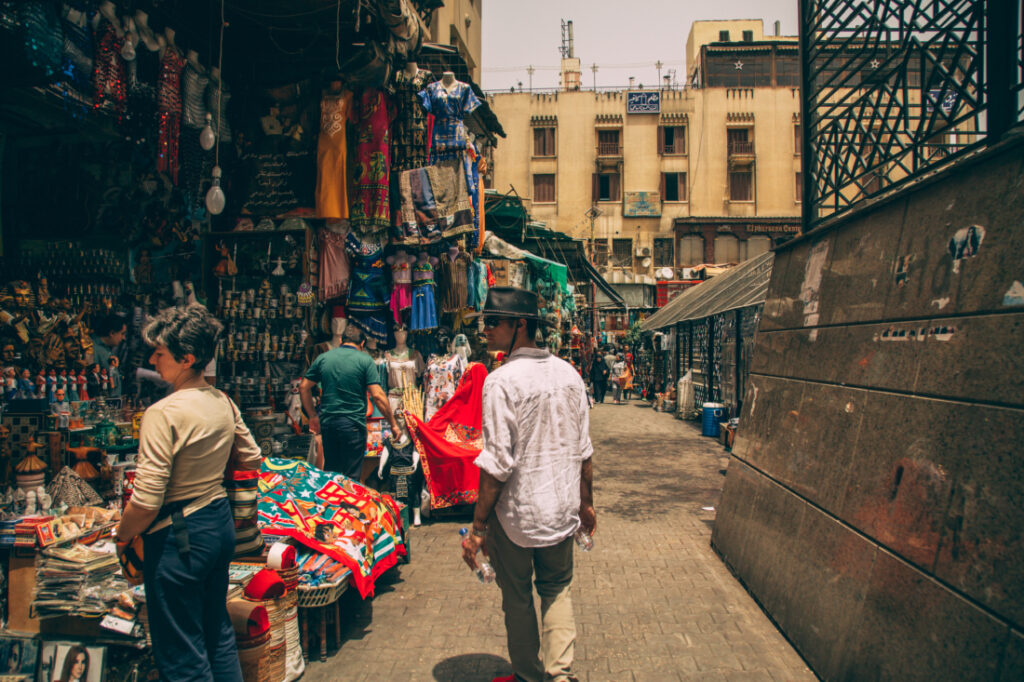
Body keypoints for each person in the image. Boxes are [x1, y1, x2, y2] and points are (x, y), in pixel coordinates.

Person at [114, 304, 260, 682]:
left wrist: (123, 533)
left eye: (160, 353)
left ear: (187, 358)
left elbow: (146, 501)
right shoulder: (221, 401)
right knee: (217, 633)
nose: (152, 359)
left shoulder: (163, 413)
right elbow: (252, 456)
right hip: (218, 525)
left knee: (182, 651)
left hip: (179, 537)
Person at [461, 287, 596, 682]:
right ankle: (560, 675)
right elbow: (584, 453)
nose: (486, 330)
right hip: (560, 509)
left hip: (516, 516)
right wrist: (586, 505)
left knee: (518, 598)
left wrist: (478, 526)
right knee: (556, 589)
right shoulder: (569, 375)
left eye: (493, 323)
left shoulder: (501, 382)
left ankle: (528, 676)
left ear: (520, 325)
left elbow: (497, 465)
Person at [299, 325, 402, 480]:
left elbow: (303, 387)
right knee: (351, 478)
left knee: (331, 473)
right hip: (352, 426)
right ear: (362, 344)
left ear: (341, 340)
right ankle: (348, 503)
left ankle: (332, 503)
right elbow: (378, 396)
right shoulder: (365, 360)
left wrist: (313, 416)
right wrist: (393, 424)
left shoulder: (324, 358)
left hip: (328, 425)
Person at [89, 312, 127, 397]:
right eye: (122, 333)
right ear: (112, 333)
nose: (123, 338)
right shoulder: (93, 349)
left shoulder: (107, 349)